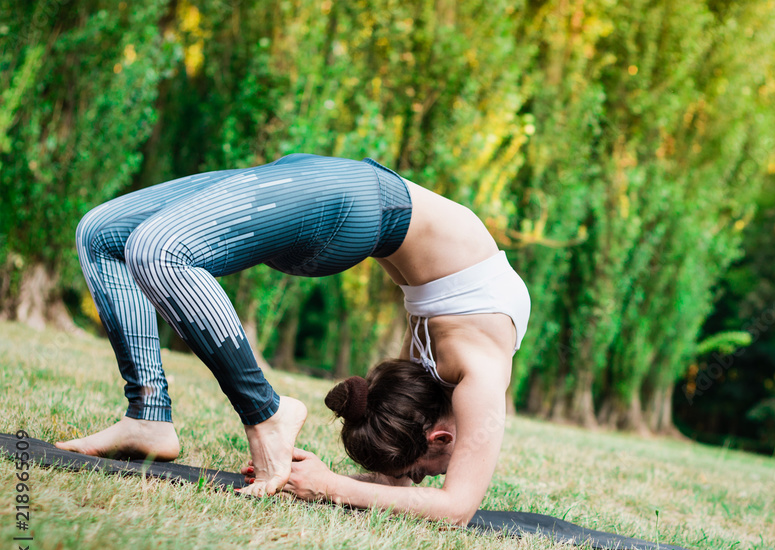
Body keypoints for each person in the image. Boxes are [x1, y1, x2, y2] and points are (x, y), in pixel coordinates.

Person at [56, 154, 530, 525]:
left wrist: (326, 478)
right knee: (105, 236)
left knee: (146, 248)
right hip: (350, 198)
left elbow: (400, 478)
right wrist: (333, 488)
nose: (418, 478)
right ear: (440, 436)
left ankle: (170, 414)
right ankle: (239, 414)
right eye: (425, 471)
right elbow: (457, 509)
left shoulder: (431, 376)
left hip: (346, 197)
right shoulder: (482, 374)